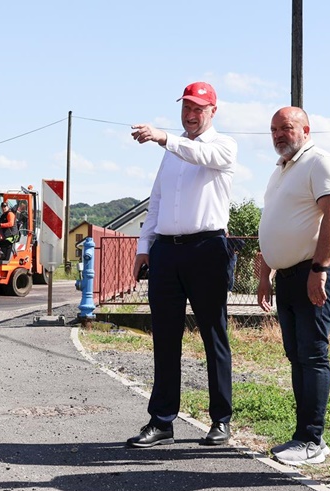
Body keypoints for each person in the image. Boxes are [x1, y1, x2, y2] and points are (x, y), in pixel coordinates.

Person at [127, 81, 237, 448]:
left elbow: (200, 156)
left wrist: (163, 139)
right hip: (167, 251)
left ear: (213, 112)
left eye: (198, 109)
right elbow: (156, 201)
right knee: (165, 337)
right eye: (186, 108)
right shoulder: (172, 151)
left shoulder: (223, 146)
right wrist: (145, 246)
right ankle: (161, 422)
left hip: (207, 248)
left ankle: (221, 420)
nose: (190, 115)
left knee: (213, 335)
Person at [256, 106, 330, 466]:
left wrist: (320, 267)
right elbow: (272, 224)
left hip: (313, 272)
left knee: (312, 355)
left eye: (287, 127)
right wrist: (265, 274)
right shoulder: (279, 171)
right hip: (288, 277)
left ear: (306, 129)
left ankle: (311, 440)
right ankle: (305, 437)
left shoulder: (320, 162)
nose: (279, 134)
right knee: (297, 356)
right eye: (274, 129)